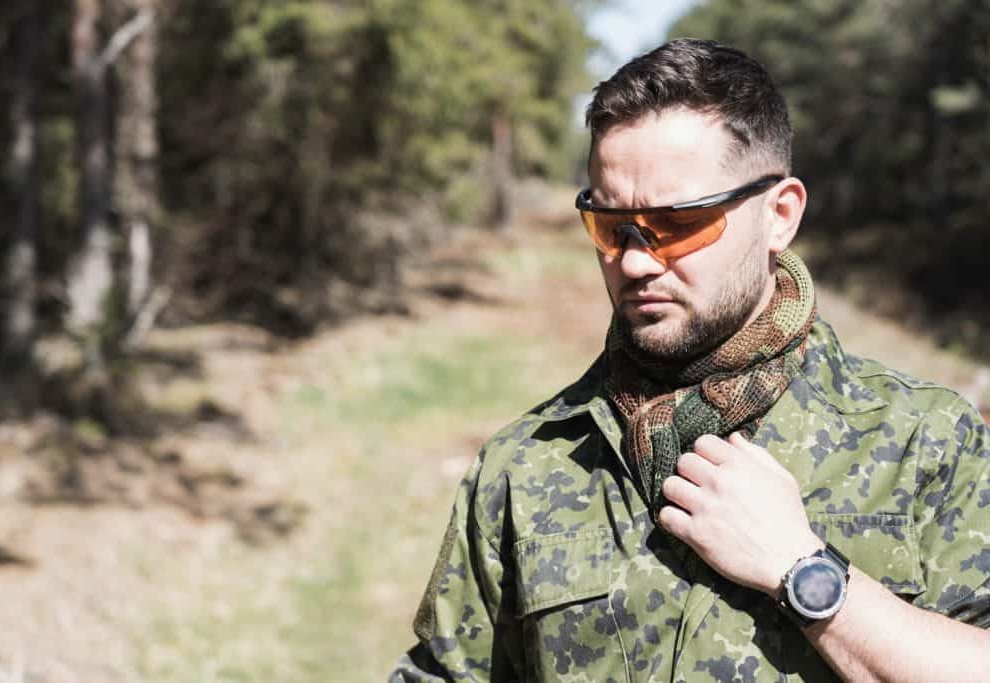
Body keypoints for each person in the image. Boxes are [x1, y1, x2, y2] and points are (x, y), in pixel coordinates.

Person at [390, 38, 990, 682]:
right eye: (610, 224)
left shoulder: (925, 440)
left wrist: (802, 569)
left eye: (676, 223)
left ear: (780, 215)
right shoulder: (524, 466)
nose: (635, 261)